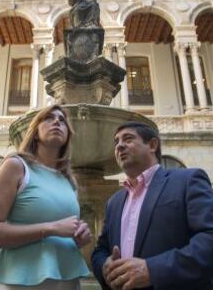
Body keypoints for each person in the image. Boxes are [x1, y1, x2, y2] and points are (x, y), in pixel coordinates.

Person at [0, 105, 91, 290]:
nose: (56, 121)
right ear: (35, 132)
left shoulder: (69, 180)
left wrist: (79, 236)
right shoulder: (15, 166)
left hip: (65, 281)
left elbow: (65, 231)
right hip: (17, 280)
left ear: (67, 136)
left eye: (62, 120)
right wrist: (52, 228)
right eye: (48, 118)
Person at [91, 122, 213, 290]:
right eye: (116, 142)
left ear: (152, 145)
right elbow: (101, 249)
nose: (119, 146)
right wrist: (105, 267)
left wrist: (153, 270)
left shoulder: (188, 180)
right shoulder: (114, 202)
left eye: (128, 139)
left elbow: (208, 237)